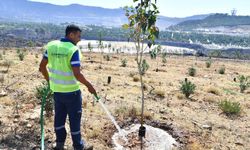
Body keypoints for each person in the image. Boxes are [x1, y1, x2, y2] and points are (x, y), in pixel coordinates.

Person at [39, 24, 96, 150]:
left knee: (59, 118)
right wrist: (89, 86)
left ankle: (59, 145)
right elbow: (77, 74)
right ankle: (78, 147)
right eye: (78, 36)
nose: (79, 39)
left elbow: (42, 67)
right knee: (74, 121)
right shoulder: (72, 49)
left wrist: (50, 81)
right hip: (72, 93)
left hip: (57, 92)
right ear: (71, 35)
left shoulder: (51, 46)